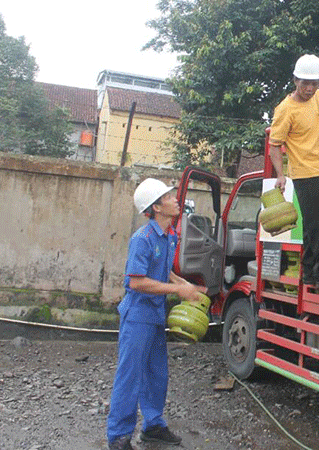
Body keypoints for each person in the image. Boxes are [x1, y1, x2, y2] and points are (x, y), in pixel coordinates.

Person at [106, 178, 207, 450]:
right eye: (169, 197)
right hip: (138, 315)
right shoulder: (142, 239)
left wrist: (181, 283)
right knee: (130, 376)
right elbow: (136, 281)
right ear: (157, 208)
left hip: (154, 315)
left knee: (156, 373)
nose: (176, 199)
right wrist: (177, 291)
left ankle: (153, 426)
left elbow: (162, 268)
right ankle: (118, 436)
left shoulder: (169, 235)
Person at [268, 54, 319, 289]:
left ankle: (309, 272)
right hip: (305, 173)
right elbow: (274, 145)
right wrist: (281, 175)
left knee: (312, 225)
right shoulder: (285, 110)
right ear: (294, 80)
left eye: (314, 83)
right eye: (305, 83)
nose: (310, 89)